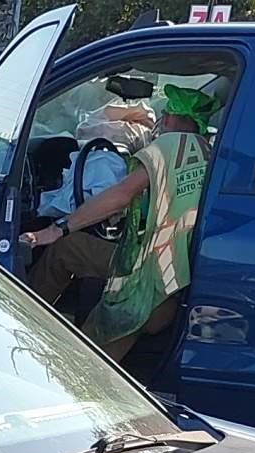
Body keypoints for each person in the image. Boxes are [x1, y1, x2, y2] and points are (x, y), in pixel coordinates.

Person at [23, 84, 216, 357]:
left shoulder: (167, 146)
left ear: (171, 117)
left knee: (81, 369)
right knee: (71, 249)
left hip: (148, 289)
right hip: (176, 280)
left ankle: (17, 319)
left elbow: (121, 196)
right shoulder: (208, 152)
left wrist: (57, 228)